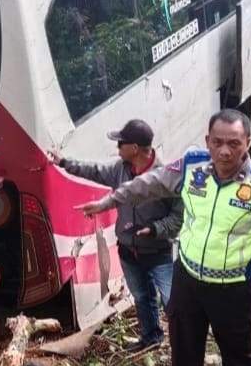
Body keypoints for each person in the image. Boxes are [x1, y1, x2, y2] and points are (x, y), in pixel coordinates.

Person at [77, 109, 251, 366]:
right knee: (185, 346)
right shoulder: (192, 168)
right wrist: (110, 201)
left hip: (233, 286)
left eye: (234, 143)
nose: (225, 151)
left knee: (238, 347)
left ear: (247, 143)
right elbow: (147, 184)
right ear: (208, 141)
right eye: (217, 142)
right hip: (188, 278)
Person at [52, 119, 183, 352]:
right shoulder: (119, 169)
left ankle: (185, 345)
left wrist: (155, 229)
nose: (117, 148)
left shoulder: (166, 176)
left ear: (134, 148)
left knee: (172, 301)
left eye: (120, 143)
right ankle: (151, 337)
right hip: (128, 251)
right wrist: (63, 162)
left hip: (158, 252)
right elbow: (93, 170)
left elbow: (178, 218)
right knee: (142, 297)